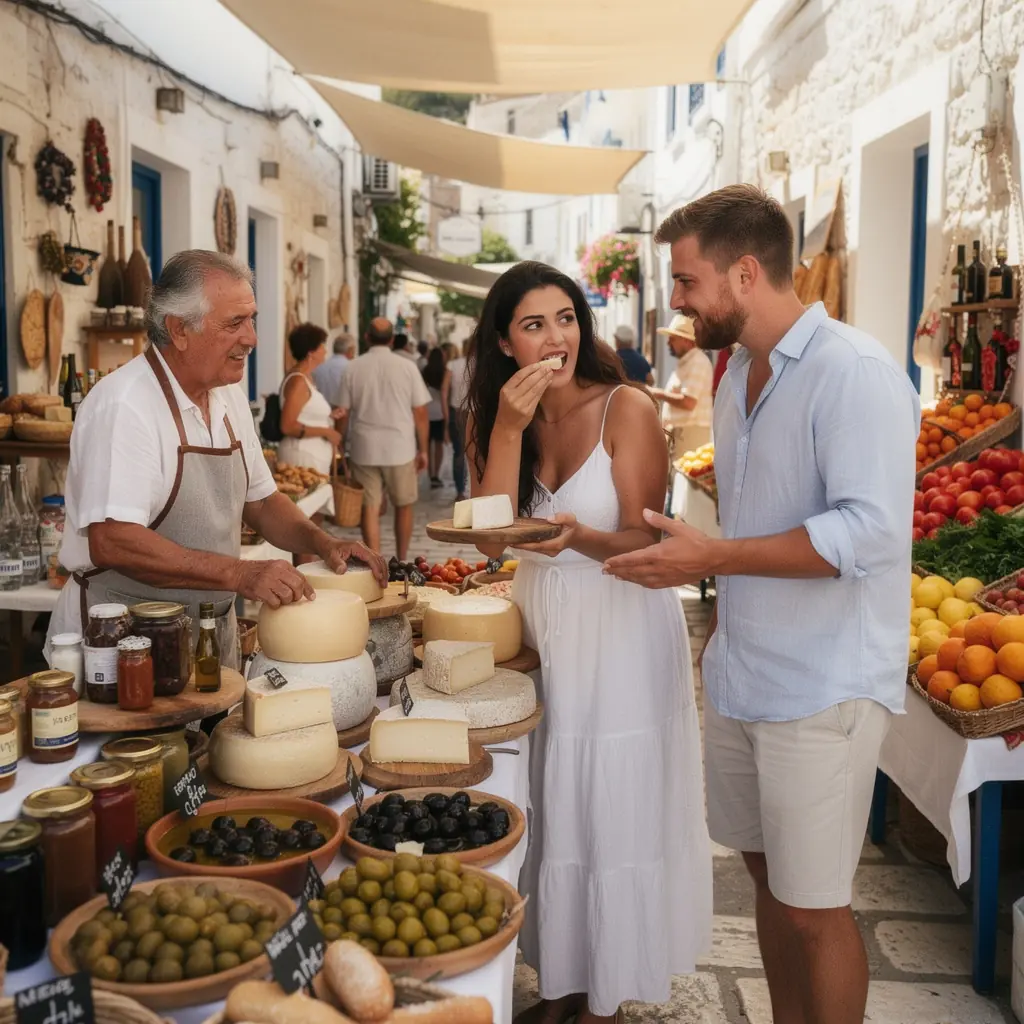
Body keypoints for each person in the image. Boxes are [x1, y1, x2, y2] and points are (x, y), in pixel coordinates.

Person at [604, 185, 919, 1024]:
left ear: (745, 273)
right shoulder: (741, 367)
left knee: (816, 908)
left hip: (823, 687)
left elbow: (870, 536)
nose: (674, 299)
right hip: (745, 673)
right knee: (768, 885)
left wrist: (716, 557)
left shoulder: (854, 372)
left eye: (685, 280)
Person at [465, 261, 711, 1024]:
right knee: (557, 801)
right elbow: (484, 544)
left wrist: (577, 538)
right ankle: (566, 984)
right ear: (505, 342)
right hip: (547, 630)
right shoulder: (503, 416)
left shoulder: (626, 407)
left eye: (566, 317)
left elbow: (646, 542)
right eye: (534, 324)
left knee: (611, 803)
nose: (555, 337)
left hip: (622, 629)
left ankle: (602, 1000)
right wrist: (507, 427)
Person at [49, 250, 386, 668]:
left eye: (252, 319)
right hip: (122, 646)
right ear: (179, 330)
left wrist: (323, 542)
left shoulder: (227, 396)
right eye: (234, 323)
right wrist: (240, 574)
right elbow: (114, 540)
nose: (252, 338)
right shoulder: (125, 404)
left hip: (207, 639)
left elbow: (261, 502)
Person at [337, 317, 431, 559]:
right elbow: (420, 411)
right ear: (391, 339)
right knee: (404, 504)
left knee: (369, 507)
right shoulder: (407, 367)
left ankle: (374, 560)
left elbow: (343, 412)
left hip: (363, 447)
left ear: (366, 337)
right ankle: (400, 558)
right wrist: (423, 450)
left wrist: (340, 443)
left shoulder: (353, 367)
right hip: (400, 447)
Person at [277, 323, 344, 530]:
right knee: (304, 522)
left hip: (311, 457)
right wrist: (326, 431)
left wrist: (329, 417)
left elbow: (305, 415)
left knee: (313, 520)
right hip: (302, 457)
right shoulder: (298, 381)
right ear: (311, 352)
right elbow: (287, 425)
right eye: (322, 346)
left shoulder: (306, 378)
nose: (325, 351)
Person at [650, 314, 713, 456]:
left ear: (686, 341)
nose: (668, 343)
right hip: (682, 433)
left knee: (683, 477)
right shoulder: (688, 362)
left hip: (689, 433)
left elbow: (688, 402)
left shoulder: (697, 362)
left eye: (672, 339)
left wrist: (657, 393)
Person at [446, 339, 472, 501]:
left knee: (458, 452)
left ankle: (460, 491)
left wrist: (445, 412)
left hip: (456, 410)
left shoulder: (452, 365)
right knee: (475, 451)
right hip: (476, 411)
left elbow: (444, 390)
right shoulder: (481, 363)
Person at [421, 348, 451, 489]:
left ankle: (429, 473)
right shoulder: (445, 371)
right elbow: (446, 392)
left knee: (426, 445)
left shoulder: (425, 371)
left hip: (426, 411)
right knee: (439, 445)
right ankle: (436, 476)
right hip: (440, 411)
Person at [312, 331, 354, 408]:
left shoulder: (318, 368)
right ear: (350, 350)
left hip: (322, 413)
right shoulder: (351, 368)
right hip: (343, 415)